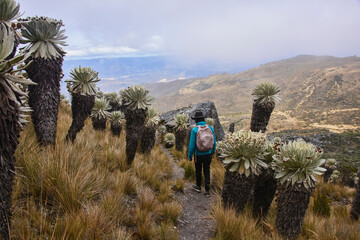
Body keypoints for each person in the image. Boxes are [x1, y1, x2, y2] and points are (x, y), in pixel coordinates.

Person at [188, 110, 216, 196]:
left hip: (198, 155)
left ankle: (198, 186)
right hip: (208, 154)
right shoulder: (210, 128)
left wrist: (190, 155)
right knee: (207, 171)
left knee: (198, 170)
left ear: (196, 120)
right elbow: (214, 142)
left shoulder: (195, 130)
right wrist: (213, 151)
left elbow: (192, 145)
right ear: (203, 119)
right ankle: (207, 191)